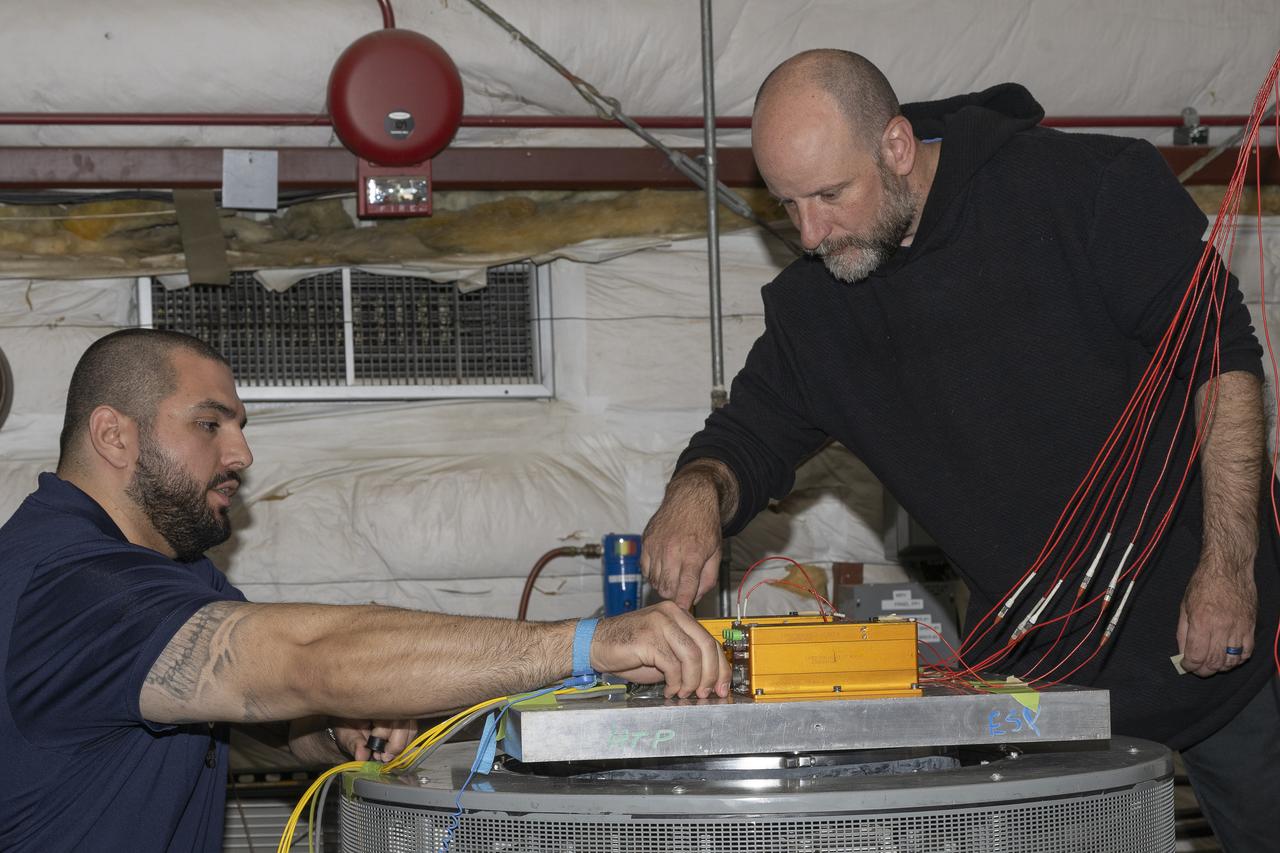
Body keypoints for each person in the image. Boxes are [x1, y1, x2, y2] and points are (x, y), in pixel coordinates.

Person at [640, 49, 1280, 852]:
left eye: (831, 196)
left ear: (898, 147)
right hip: (1047, 691)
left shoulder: (1087, 189)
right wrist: (697, 491)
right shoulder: (820, 305)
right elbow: (745, 438)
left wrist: (1227, 567)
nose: (809, 232)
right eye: (787, 205)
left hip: (1227, 646)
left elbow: (1220, 362)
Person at [0, 328, 730, 853]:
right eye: (209, 423)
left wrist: (334, 731)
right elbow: (305, 655)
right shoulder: (70, 585)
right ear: (113, 435)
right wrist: (588, 642)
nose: (242, 453)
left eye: (241, 426)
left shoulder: (171, 567)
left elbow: (253, 708)